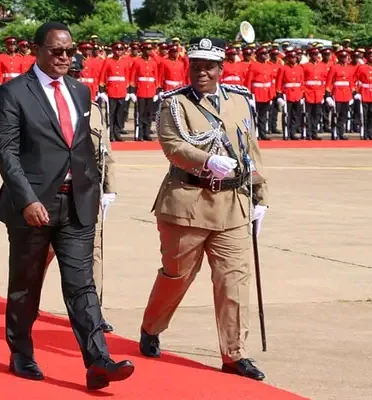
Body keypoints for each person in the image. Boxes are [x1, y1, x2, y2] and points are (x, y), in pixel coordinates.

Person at [0, 21, 134, 390]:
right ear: (36, 50)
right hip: (34, 205)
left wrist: (97, 187)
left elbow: (83, 146)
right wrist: (27, 200)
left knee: (81, 284)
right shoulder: (14, 93)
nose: (65, 58)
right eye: (57, 51)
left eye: (70, 51)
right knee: (26, 284)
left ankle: (97, 361)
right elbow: (6, 153)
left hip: (76, 202)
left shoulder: (79, 91)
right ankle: (21, 352)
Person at [138, 37, 268, 381]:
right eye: (195, 66)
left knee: (234, 281)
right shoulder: (175, 104)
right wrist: (207, 160)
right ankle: (151, 327)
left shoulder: (240, 102)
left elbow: (249, 149)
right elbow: (173, 145)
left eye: (208, 66)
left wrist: (260, 194)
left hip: (233, 205)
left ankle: (234, 353)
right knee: (177, 275)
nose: (202, 72)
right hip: (188, 204)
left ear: (220, 69)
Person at [44, 59, 117, 333]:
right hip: (51, 193)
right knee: (40, 254)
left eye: (76, 73)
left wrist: (109, 188)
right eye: (68, 73)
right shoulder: (43, 105)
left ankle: (93, 313)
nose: (73, 78)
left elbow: (105, 154)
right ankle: (28, 303)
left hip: (86, 193)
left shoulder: (94, 110)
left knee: (93, 254)